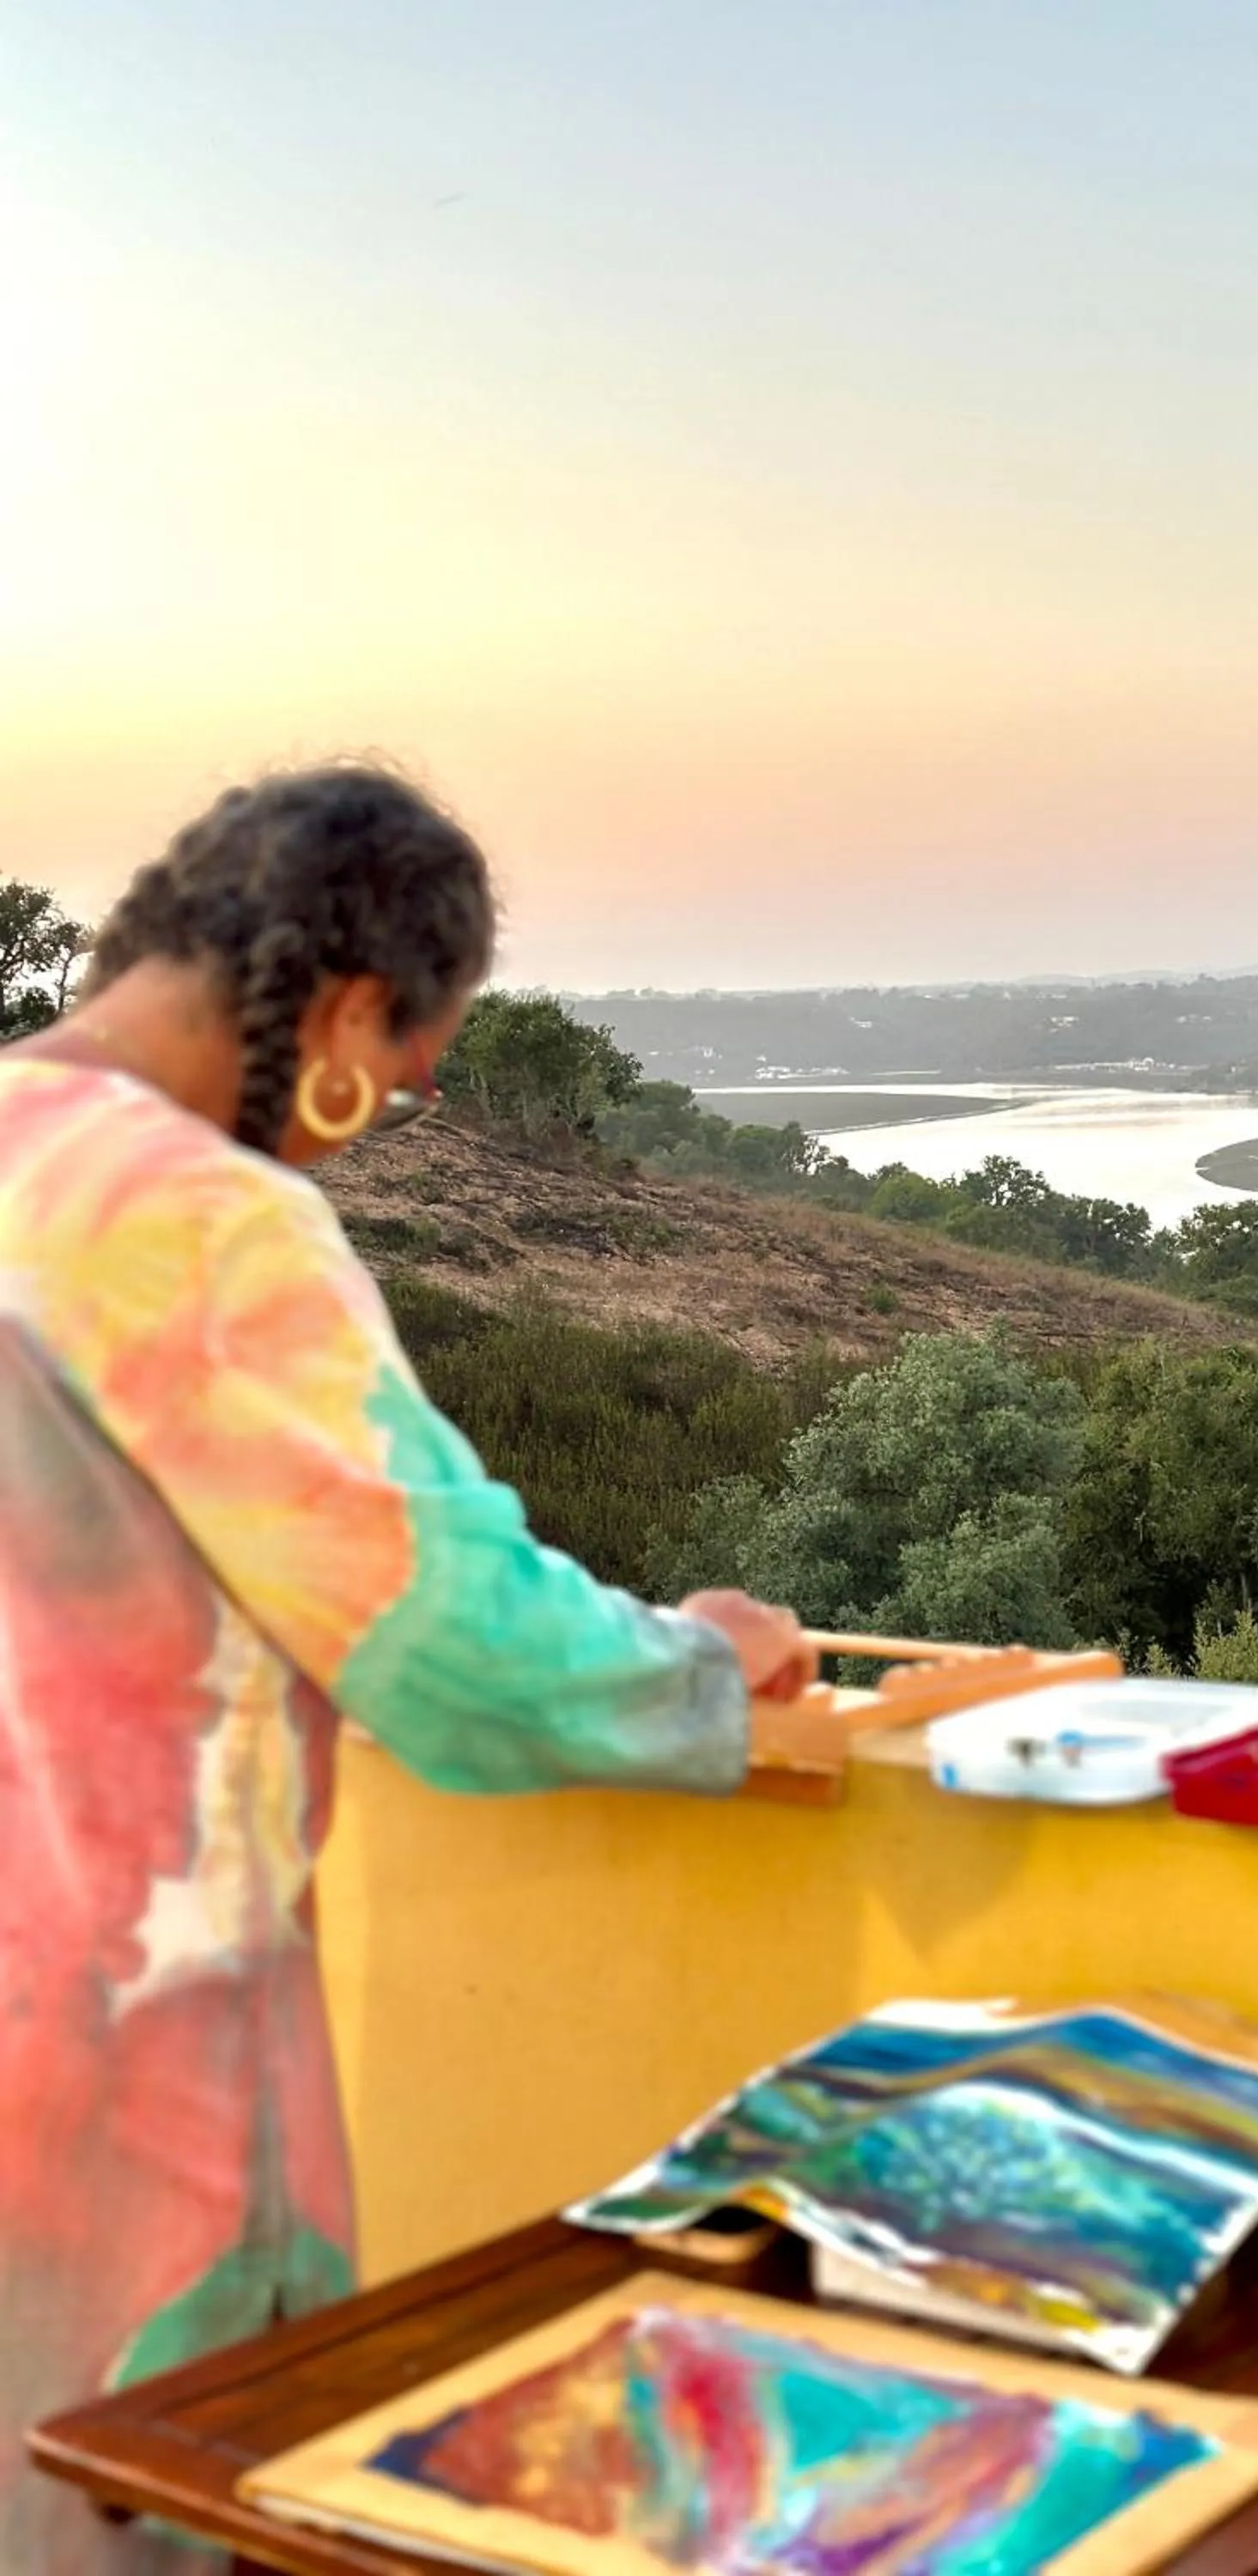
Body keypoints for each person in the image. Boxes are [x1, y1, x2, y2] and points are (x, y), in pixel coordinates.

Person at [0, 765, 813, 2573]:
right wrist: (705, 1660)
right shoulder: (191, 1219)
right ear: (354, 1009)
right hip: (129, 2077)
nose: (381, 1119)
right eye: (411, 1073)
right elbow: (450, 1643)